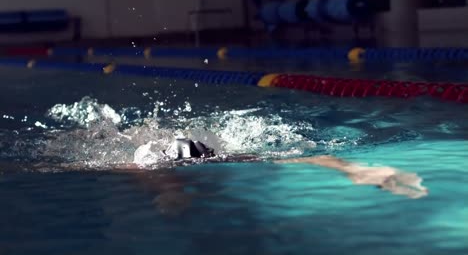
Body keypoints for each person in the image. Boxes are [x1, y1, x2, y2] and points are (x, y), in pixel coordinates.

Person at [129, 138, 429, 199]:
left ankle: (360, 171)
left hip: (173, 155)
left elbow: (150, 171)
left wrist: (168, 191)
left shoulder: (146, 160)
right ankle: (359, 171)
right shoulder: (148, 158)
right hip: (175, 155)